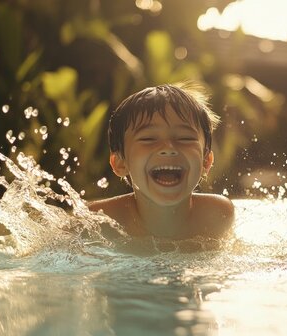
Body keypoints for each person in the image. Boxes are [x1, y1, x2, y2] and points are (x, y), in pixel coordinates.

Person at [88, 82, 234, 243]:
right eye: (148, 139)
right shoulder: (98, 222)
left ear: (206, 161)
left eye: (185, 138)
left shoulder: (216, 216)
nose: (169, 148)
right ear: (120, 163)